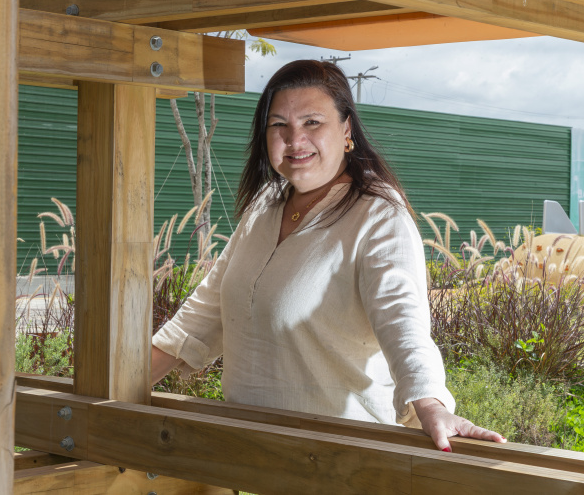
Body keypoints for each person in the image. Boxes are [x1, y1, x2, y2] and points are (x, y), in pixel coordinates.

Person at [150, 60, 505, 450]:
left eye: (312, 123)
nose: (294, 139)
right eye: (279, 125)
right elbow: (207, 310)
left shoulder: (377, 215)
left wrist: (431, 405)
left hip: (343, 462)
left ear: (347, 129)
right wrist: (117, 385)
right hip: (254, 456)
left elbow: (402, 321)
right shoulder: (265, 204)